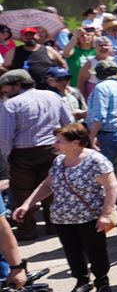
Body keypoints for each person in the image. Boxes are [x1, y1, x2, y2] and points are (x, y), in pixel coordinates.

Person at [11, 123, 117, 292]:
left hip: (89, 217)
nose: (55, 144)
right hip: (62, 218)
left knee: (95, 250)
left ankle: (101, 281)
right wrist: (27, 204)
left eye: (59, 141)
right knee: (72, 251)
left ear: (75, 142)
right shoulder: (59, 161)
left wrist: (106, 215)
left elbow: (111, 186)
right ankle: (82, 282)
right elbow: (47, 185)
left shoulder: (96, 160)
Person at [1, 68, 75, 240]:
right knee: (53, 188)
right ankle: (55, 225)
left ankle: (27, 230)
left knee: (22, 191)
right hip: (53, 148)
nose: (4, 90)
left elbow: (4, 137)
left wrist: (7, 157)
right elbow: (68, 122)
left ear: (17, 85)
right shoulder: (52, 96)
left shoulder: (12, 104)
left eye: (6, 87)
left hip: (23, 154)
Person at [85, 59, 117, 161]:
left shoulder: (101, 87)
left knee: (106, 172)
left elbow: (100, 115)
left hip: (109, 138)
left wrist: (91, 137)